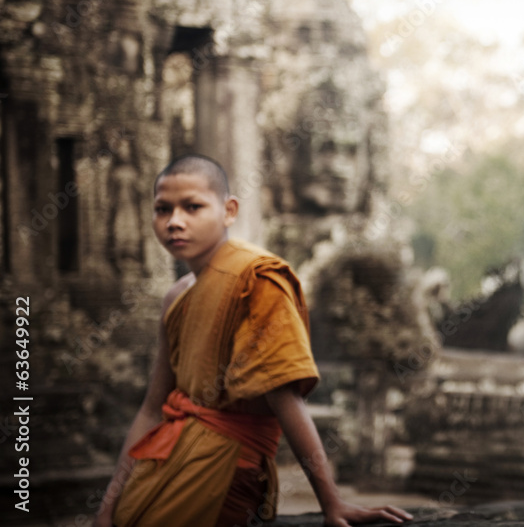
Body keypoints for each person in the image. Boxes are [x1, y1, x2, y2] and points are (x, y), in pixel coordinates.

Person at [95, 154, 413, 527]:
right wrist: (109, 505)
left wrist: (332, 502)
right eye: (162, 209)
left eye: (192, 207)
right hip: (164, 462)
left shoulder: (256, 278)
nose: (174, 222)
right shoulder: (176, 296)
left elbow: (284, 396)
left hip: (226, 470)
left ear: (229, 211)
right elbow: (152, 408)